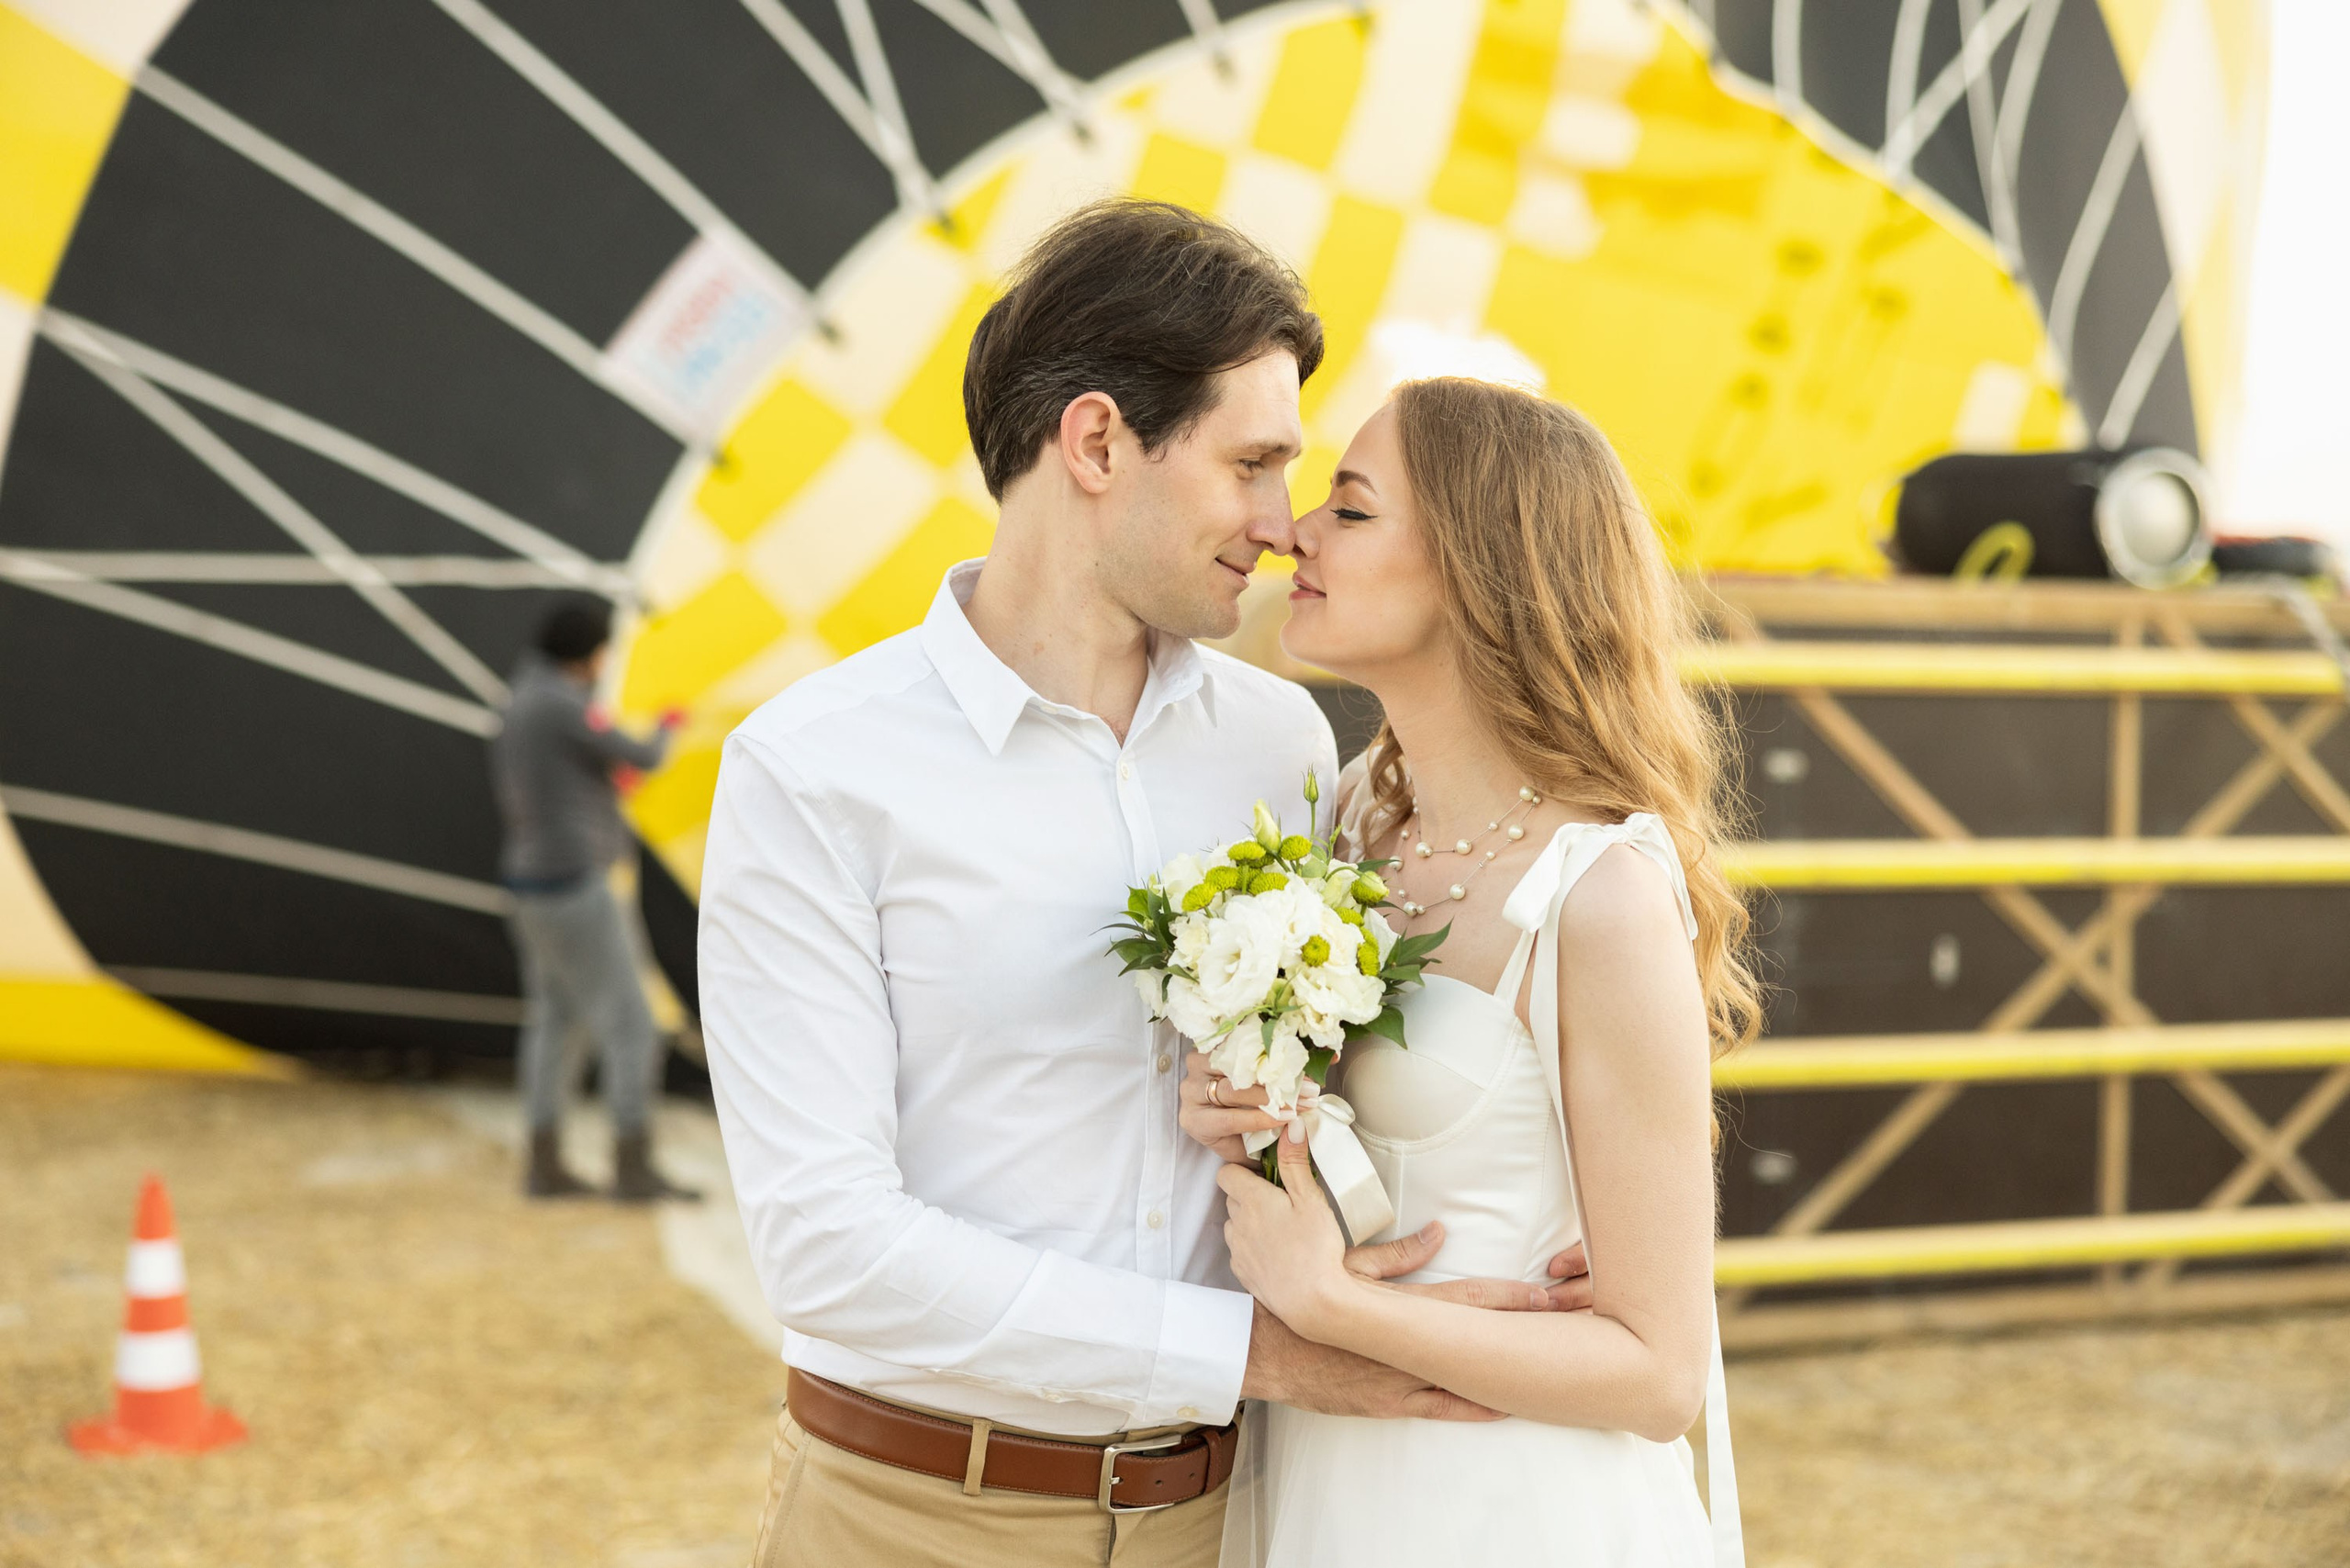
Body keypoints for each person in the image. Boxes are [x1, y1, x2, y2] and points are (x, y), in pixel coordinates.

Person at [698, 202, 1586, 1568]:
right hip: (910, 1521)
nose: (1283, 525)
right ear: (1100, 440)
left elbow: (1356, 1058)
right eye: (1252, 464)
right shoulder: (813, 770)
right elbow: (829, 1251)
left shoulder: (1282, 741)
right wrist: (1260, 1354)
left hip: (1228, 1521)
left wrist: (1541, 1225)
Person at [1181, 378, 1759, 1565]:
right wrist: (1235, 1105)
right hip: (1334, 1484)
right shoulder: (1345, 822)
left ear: (1477, 567)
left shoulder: (1599, 898)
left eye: (1350, 508)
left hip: (1517, 1507)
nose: (1296, 533)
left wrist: (1336, 1307)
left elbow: (1662, 1376)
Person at [490, 597, 698, 1204]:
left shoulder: (522, 699)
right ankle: (633, 1169)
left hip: (529, 886)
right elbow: (644, 758)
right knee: (634, 1025)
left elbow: (582, 772)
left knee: (554, 1022)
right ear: (588, 653)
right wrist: (670, 723)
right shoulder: (559, 703)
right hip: (573, 885)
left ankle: (543, 1165)